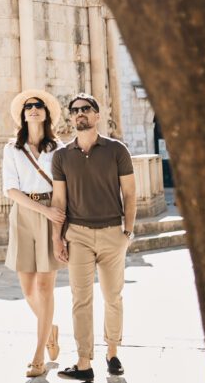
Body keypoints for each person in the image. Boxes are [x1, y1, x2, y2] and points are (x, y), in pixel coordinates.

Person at [52, 93, 137, 381]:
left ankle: (112, 353)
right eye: (75, 110)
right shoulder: (62, 156)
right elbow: (59, 201)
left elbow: (130, 193)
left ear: (97, 115)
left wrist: (127, 232)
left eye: (86, 109)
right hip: (78, 235)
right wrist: (57, 238)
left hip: (113, 233)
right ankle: (83, 362)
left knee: (113, 297)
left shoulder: (116, 150)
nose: (80, 113)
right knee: (81, 299)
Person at [3, 90, 66, 378]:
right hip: (24, 215)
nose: (33, 109)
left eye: (39, 106)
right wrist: (43, 211)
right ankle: (49, 327)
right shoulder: (12, 149)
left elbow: (62, 188)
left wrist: (57, 228)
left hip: (52, 212)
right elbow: (11, 189)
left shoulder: (58, 148)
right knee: (28, 289)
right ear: (23, 114)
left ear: (46, 113)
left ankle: (39, 355)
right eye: (28, 106)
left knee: (44, 288)